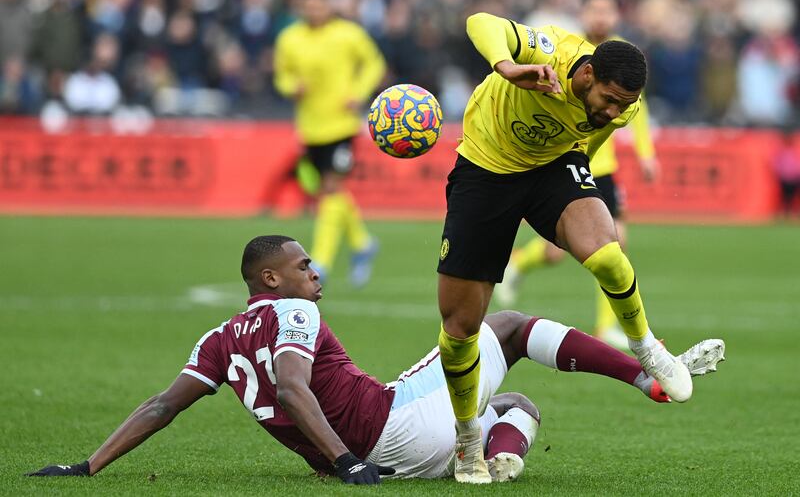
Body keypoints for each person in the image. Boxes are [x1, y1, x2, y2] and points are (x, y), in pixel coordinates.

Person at [27, 236, 724, 484]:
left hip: (384, 447)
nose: (314, 272)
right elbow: (294, 386)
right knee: (506, 324)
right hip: (383, 432)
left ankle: (489, 457)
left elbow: (160, 405)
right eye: (303, 265)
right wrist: (346, 460)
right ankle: (646, 374)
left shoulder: (217, 338)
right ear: (270, 279)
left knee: (518, 406)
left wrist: (88, 464)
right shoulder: (293, 311)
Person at [436, 11, 694, 483]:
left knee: (610, 255)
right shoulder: (551, 49)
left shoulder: (624, 108)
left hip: (552, 168)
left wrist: (576, 197)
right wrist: (505, 66)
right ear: (588, 73)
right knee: (459, 328)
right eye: (610, 100)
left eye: (625, 105)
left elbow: (590, 139)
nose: (615, 112)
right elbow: (477, 21)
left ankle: (647, 347)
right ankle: (469, 437)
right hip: (485, 170)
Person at [495, 0, 659, 350]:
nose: (600, 16)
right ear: (583, 13)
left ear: (615, 16)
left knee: (616, 243)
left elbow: (638, 110)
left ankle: (606, 326)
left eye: (607, 10)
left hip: (600, 164)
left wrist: (646, 153)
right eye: (594, 9)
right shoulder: (564, 50)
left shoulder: (624, 60)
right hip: (558, 162)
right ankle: (519, 264)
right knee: (557, 252)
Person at [274, 0, 386, 287]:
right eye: (308, 4)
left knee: (331, 189)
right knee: (330, 190)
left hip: (342, 125)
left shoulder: (348, 34)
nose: (314, 10)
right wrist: (290, 87)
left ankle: (320, 260)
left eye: (318, 4)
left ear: (328, 6)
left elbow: (375, 64)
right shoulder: (289, 38)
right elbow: (281, 75)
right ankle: (362, 243)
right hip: (311, 127)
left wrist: (359, 93)